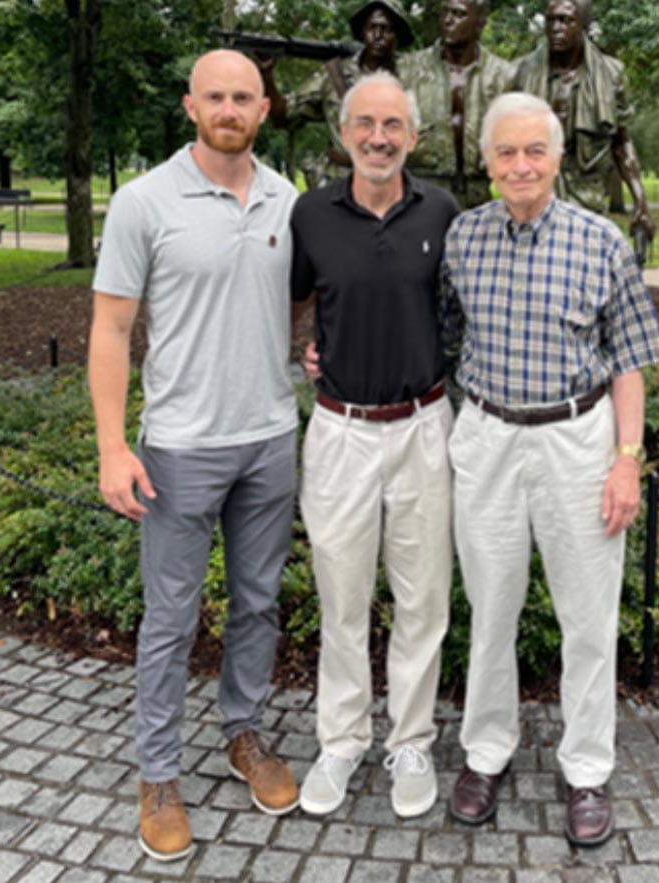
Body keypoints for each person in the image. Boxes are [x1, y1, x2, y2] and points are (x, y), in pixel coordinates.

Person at [88, 49, 300, 862]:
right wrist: (113, 445)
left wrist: (311, 355)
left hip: (271, 437)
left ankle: (242, 731)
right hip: (178, 446)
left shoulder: (288, 198)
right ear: (190, 106)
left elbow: (298, 301)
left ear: (264, 108)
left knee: (257, 601)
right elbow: (109, 330)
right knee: (171, 617)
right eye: (215, 95)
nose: (229, 107)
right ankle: (158, 771)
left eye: (243, 96)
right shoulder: (144, 201)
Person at [442, 92, 659, 846]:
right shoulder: (463, 239)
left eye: (534, 150)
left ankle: (587, 768)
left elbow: (632, 358)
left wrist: (626, 460)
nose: (520, 164)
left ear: (559, 157)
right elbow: (435, 335)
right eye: (505, 152)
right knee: (491, 610)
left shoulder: (601, 240)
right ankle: (485, 753)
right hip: (486, 439)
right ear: (486, 161)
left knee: (588, 617)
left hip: (578, 439)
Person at [290, 71, 457, 819]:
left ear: (413, 136)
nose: (378, 137)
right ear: (344, 133)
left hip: (425, 427)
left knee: (423, 600)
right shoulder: (311, 214)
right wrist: (308, 346)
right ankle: (342, 739)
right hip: (340, 432)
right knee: (342, 596)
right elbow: (298, 298)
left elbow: (461, 306)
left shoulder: (446, 211)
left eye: (392, 124)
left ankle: (411, 739)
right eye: (365, 123)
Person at [516, 0, 655, 244]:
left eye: (566, 20)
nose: (556, 28)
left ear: (584, 25)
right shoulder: (521, 72)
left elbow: (621, 143)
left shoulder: (611, 74)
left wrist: (640, 201)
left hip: (587, 201)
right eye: (551, 20)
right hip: (533, 199)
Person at [261, 0, 414, 185]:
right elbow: (282, 115)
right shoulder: (335, 74)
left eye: (386, 29)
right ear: (362, 32)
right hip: (339, 183)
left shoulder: (413, 77)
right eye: (371, 28)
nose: (378, 36)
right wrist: (266, 74)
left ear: (398, 36)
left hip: (393, 183)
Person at [398, 0, 516, 208]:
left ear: (479, 22)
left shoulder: (504, 76)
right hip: (421, 189)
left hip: (482, 194)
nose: (448, 21)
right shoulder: (407, 70)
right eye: (444, 14)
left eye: (458, 14)